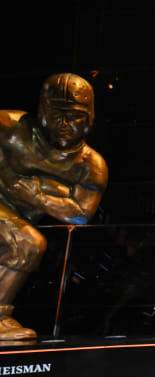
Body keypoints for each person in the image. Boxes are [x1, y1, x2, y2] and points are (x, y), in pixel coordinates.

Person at [0, 73, 108, 340]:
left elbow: (81, 215)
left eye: (74, 116)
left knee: (27, 245)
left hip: (17, 214)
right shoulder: (11, 126)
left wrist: (37, 197)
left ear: (89, 118)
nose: (64, 123)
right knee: (27, 243)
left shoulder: (89, 165)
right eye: (56, 113)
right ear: (41, 111)